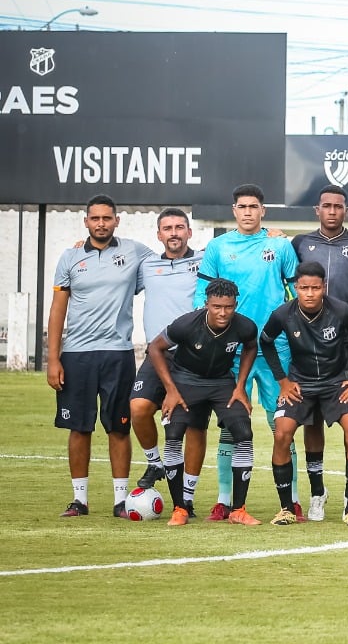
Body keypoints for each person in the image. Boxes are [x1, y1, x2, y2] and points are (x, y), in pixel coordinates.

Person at [194, 183, 300, 521]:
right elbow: (202, 297)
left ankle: (292, 500)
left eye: (254, 206)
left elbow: (298, 295)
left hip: (273, 347)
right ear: (234, 210)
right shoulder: (218, 247)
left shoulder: (279, 245)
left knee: (281, 421)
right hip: (232, 348)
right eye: (242, 206)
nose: (248, 212)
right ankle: (225, 499)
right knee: (231, 423)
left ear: (263, 210)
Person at [46, 195, 146, 517]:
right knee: (79, 427)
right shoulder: (70, 257)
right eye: (95, 218)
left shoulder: (134, 252)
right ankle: (80, 501)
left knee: (119, 427)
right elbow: (57, 310)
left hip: (118, 354)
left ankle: (120, 502)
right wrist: (53, 358)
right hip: (77, 355)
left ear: (117, 220)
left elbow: (172, 263)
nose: (101, 223)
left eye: (107, 218)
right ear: (86, 221)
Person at [260, 262, 348, 526]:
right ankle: (288, 508)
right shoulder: (282, 314)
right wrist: (283, 381)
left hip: (337, 383)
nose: (309, 293)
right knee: (282, 432)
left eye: (315, 288)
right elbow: (265, 341)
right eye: (304, 288)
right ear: (295, 288)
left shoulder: (342, 311)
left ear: (324, 287)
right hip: (301, 384)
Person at [145, 278, 259, 526]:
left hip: (221, 383)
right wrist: (171, 390)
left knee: (243, 432)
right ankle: (180, 509)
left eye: (228, 307)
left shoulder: (245, 326)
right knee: (174, 435)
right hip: (185, 380)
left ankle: (238, 510)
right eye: (217, 306)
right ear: (206, 304)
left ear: (235, 304)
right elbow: (154, 348)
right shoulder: (186, 324)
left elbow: (251, 347)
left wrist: (240, 386)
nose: (223, 312)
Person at [290, 184, 348, 521]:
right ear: (317, 210)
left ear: (346, 211)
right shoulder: (299, 244)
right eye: (327, 206)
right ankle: (317, 493)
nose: (333, 211)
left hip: (346, 344)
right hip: (308, 343)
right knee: (312, 424)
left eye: (339, 207)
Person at [130, 207, 205, 491]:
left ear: (189, 231)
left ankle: (187, 494)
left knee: (195, 425)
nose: (174, 233)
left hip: (195, 356)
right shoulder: (146, 266)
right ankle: (154, 462)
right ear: (159, 235)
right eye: (168, 228)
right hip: (158, 353)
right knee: (138, 408)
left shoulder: (206, 261)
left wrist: (272, 233)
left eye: (179, 227)